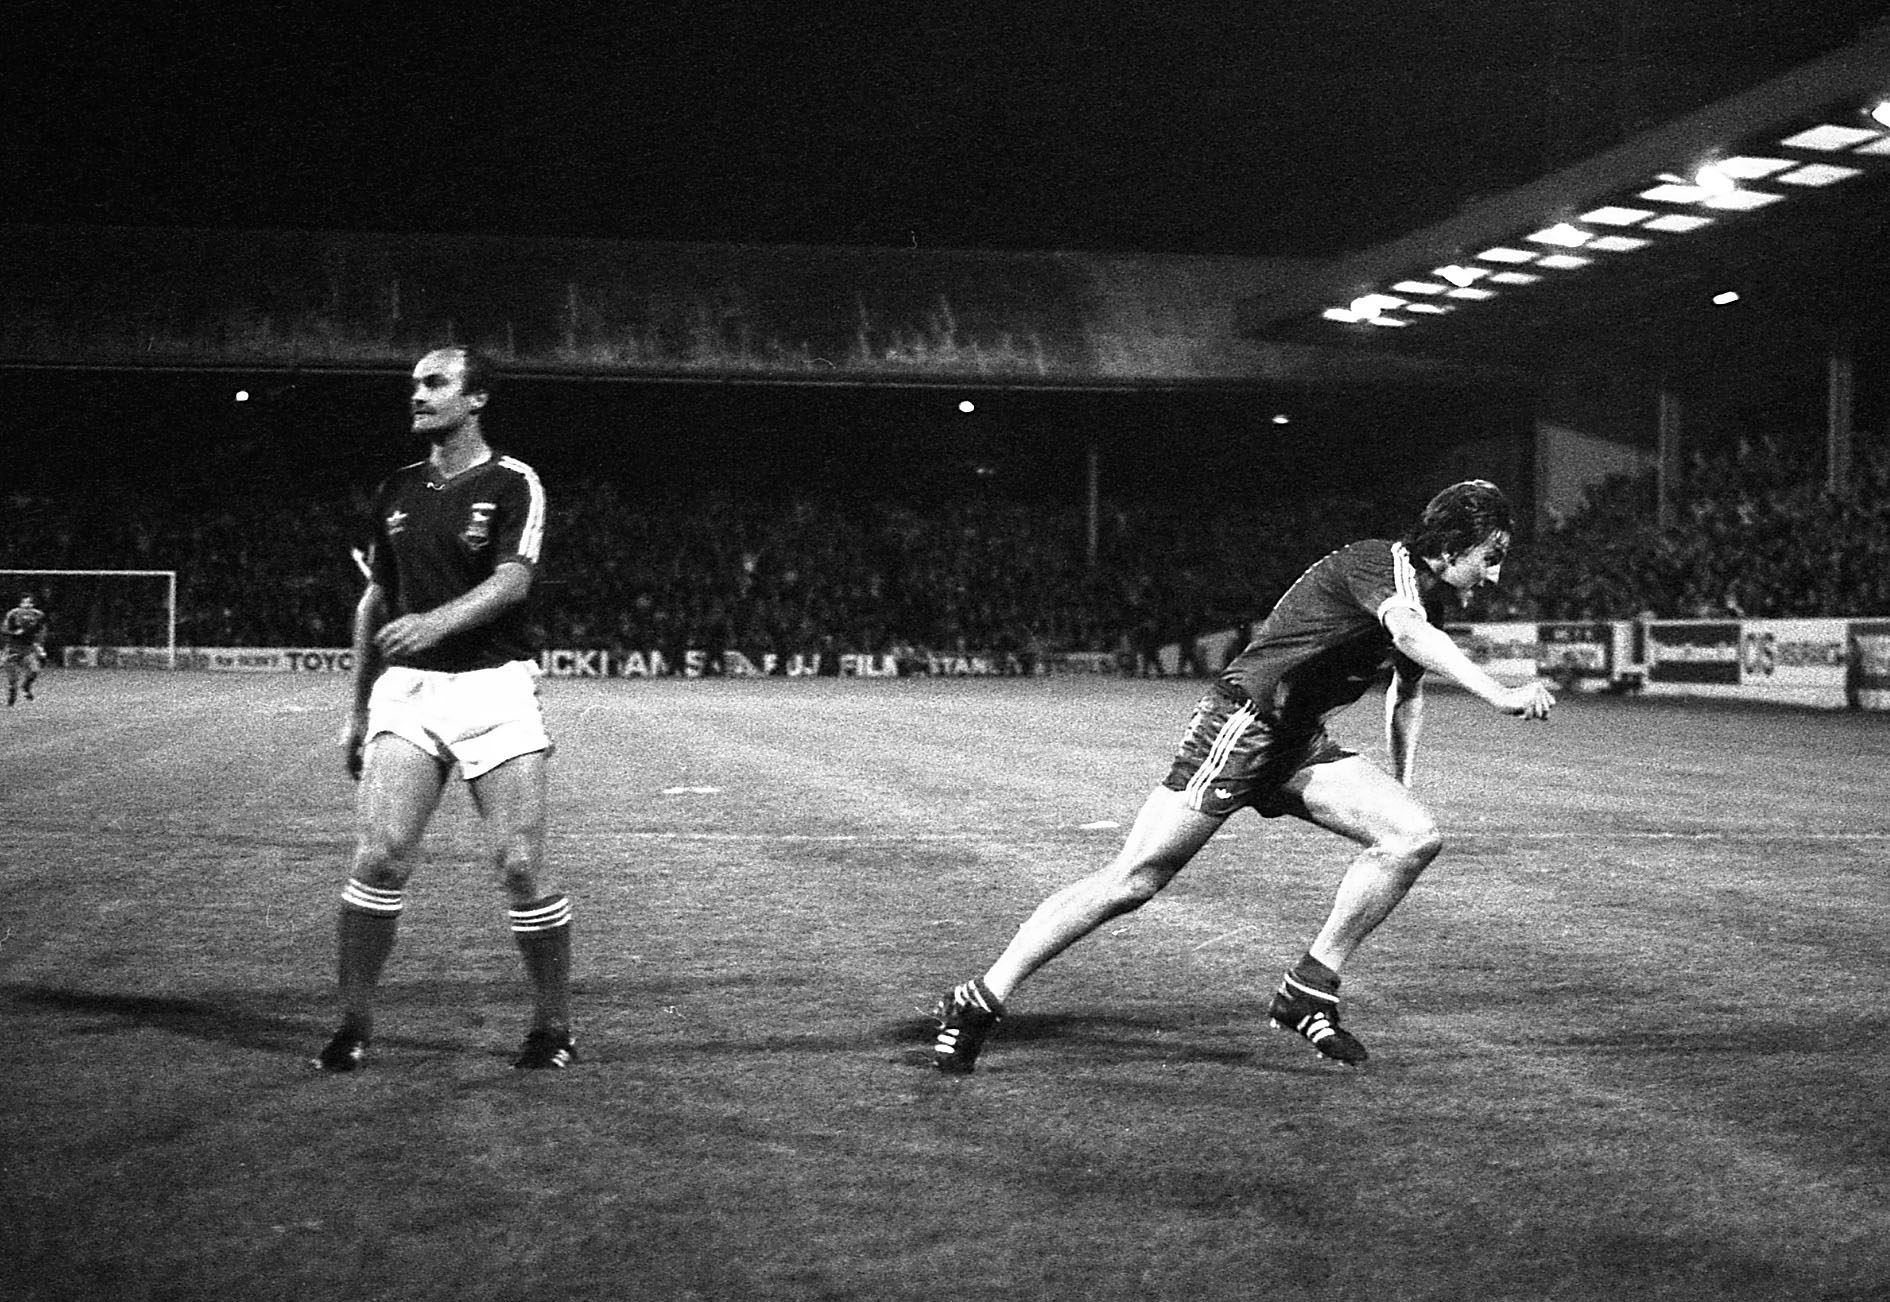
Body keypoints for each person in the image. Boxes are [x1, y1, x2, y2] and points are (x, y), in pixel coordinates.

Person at [931, 480, 1554, 1073]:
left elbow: (1406, 692)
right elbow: (1409, 636)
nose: (1496, 574)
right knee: (1135, 879)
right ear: (1446, 550)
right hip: (1243, 726)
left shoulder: (1428, 604)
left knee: (1411, 835)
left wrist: (1402, 782)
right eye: (1489, 557)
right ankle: (980, 998)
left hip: (1296, 745)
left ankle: (1309, 989)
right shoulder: (1379, 563)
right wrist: (1498, 695)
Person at [314, 345, 576, 1072]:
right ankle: (354, 1025)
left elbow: (513, 581)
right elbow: (375, 600)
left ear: (477, 398)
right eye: (414, 386)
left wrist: (436, 621)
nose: (418, 396)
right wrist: (359, 708)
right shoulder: (395, 489)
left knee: (520, 865)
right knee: (379, 857)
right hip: (411, 693)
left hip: (494, 688)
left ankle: (553, 1026)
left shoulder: (513, 481)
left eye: (435, 383)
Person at [4, 594, 48, 706]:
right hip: (13, 647)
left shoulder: (38, 615)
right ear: (20, 604)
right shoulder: (13, 614)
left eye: (29, 603)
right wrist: (14, 632)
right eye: (24, 603)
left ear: (32, 604)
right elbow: (4, 629)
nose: (26, 605)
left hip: (28, 647)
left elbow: (41, 630)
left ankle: (26, 686)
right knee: (13, 678)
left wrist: (39, 645)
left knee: (34, 670)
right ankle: (12, 696)